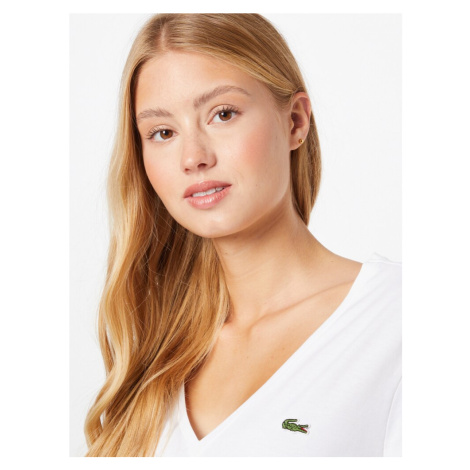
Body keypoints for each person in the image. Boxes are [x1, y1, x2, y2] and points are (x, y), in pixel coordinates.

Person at [84, 13, 401, 457]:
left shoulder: (400, 319)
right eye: (163, 132)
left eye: (223, 114)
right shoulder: (155, 350)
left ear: (295, 122)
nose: (193, 157)